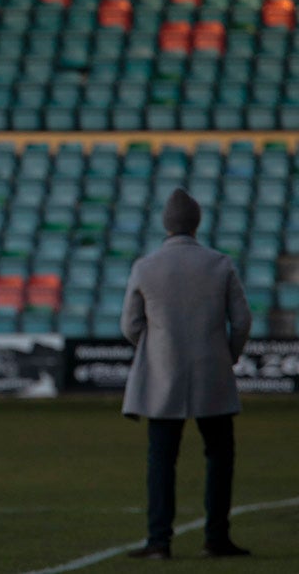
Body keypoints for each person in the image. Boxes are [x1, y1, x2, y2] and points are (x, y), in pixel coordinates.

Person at [120, 187, 252, 560]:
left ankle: (159, 541)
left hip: (164, 374)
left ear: (166, 225)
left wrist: (153, 350)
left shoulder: (145, 267)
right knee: (220, 455)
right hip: (212, 372)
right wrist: (229, 355)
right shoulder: (220, 263)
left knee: (161, 458)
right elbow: (241, 321)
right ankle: (216, 538)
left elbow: (130, 324)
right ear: (197, 223)